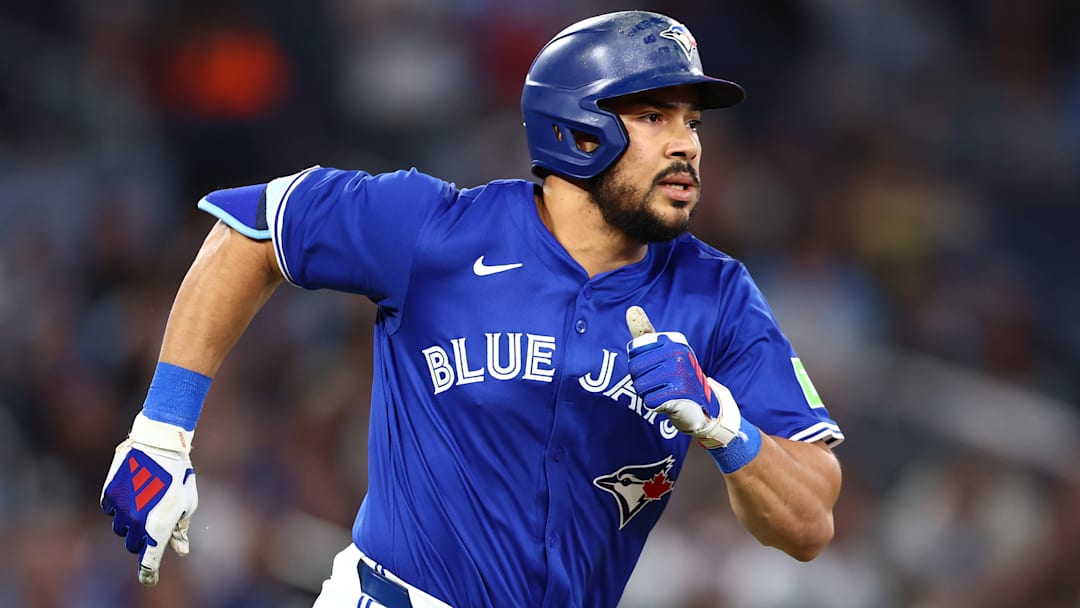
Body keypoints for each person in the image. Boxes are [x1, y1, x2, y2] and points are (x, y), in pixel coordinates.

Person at [101, 10, 844, 608]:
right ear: (577, 127)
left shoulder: (717, 294)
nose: (687, 146)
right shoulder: (438, 229)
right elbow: (253, 231)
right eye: (656, 117)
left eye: (693, 124)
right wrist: (163, 429)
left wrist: (727, 426)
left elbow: (811, 521)